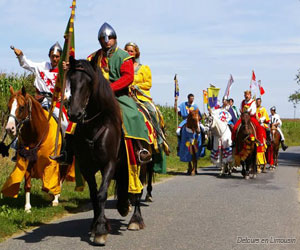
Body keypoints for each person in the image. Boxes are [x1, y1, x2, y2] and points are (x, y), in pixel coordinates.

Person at [54, 23, 151, 167]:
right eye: (103, 38)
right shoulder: (93, 57)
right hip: (96, 98)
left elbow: (128, 77)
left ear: (114, 39)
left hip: (118, 95)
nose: (107, 40)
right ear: (99, 40)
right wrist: (69, 67)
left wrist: (109, 88)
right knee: (74, 119)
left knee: (133, 116)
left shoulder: (124, 56)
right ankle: (67, 153)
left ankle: (139, 149)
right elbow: (82, 69)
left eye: (110, 37)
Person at [124, 42, 169, 173]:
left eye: (131, 51)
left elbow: (148, 83)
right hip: (126, 96)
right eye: (127, 51)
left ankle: (159, 137)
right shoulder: (122, 66)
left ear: (136, 53)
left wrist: (136, 85)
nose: (129, 53)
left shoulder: (144, 68)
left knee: (152, 111)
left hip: (141, 96)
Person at [12, 43, 69, 132]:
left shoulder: (64, 71)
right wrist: (20, 56)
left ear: (61, 57)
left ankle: (64, 145)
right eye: (52, 56)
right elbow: (26, 64)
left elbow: (69, 89)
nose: (54, 59)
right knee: (22, 116)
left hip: (55, 102)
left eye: (57, 57)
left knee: (65, 124)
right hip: (38, 100)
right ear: (49, 56)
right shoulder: (41, 66)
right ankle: (17, 142)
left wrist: (65, 96)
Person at [232, 90, 266, 165]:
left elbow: (253, 111)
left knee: (259, 127)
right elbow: (240, 109)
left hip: (251, 117)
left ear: (250, 95)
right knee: (235, 127)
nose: (246, 96)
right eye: (245, 95)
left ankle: (259, 141)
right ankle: (234, 141)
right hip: (243, 117)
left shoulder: (253, 102)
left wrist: (248, 112)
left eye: (248, 95)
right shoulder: (242, 102)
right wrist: (243, 113)